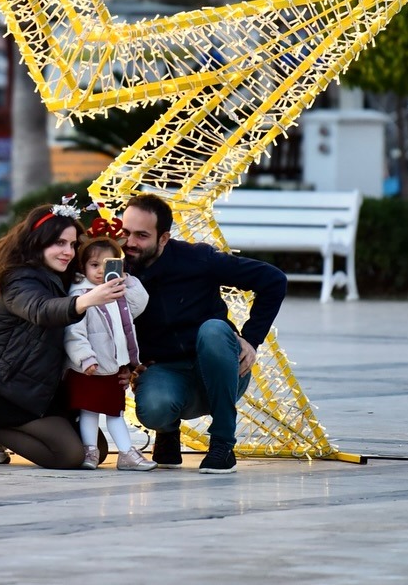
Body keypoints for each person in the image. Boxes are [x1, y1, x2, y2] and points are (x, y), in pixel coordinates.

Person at [120, 192, 287, 473]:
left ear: (163, 238)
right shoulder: (117, 267)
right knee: (153, 408)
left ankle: (223, 444)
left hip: (218, 366)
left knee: (212, 330)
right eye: (126, 233)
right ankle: (168, 431)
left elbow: (273, 280)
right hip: (164, 370)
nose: (130, 243)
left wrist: (251, 339)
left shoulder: (197, 258)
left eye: (141, 235)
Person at [0, 200, 127, 469]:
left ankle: (7, 428)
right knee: (69, 457)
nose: (68, 252)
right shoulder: (18, 278)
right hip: (1, 389)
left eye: (73, 245)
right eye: (59, 243)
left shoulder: (63, 276)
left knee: (95, 451)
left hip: (41, 389)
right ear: (38, 242)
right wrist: (86, 300)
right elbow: (41, 310)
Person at [63, 235, 155, 471]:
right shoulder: (81, 295)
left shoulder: (116, 291)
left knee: (115, 412)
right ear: (82, 266)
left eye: (108, 265)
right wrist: (85, 358)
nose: (99, 271)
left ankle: (125, 453)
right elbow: (74, 332)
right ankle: (91, 451)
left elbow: (139, 304)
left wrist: (127, 281)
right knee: (89, 411)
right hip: (89, 367)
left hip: (114, 366)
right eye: (94, 265)